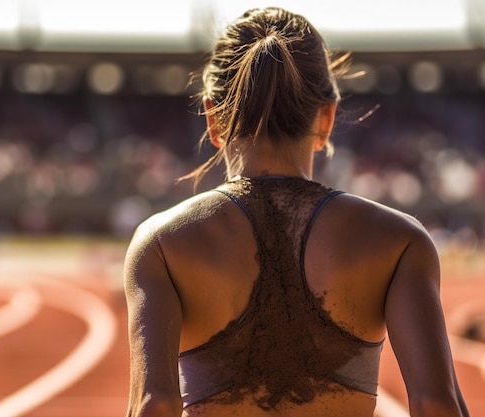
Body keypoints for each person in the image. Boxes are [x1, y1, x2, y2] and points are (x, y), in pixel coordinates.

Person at [123, 6, 470, 417]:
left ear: (213, 117)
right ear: (326, 118)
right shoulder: (399, 241)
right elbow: (435, 403)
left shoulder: (162, 244)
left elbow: (155, 403)